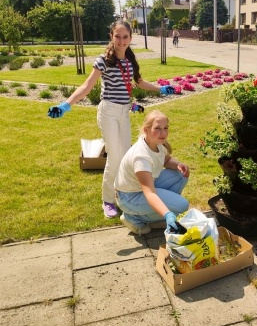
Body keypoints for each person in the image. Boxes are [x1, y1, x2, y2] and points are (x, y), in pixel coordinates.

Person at [47, 20, 175, 219]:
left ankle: (122, 193)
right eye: (117, 36)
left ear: (131, 38)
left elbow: (139, 82)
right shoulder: (103, 60)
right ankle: (108, 200)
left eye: (125, 37)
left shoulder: (130, 59)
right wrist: (66, 105)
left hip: (124, 112)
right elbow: (87, 86)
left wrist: (160, 89)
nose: (121, 41)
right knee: (115, 157)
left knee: (125, 157)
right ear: (111, 37)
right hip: (108, 112)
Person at [114, 110, 190, 235]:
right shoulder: (141, 157)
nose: (163, 133)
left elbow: (165, 160)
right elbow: (149, 193)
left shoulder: (155, 142)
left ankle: (160, 211)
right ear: (146, 130)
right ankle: (134, 218)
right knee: (182, 206)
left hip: (146, 185)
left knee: (180, 174)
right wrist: (168, 214)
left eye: (165, 128)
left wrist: (178, 165)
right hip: (130, 197)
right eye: (158, 128)